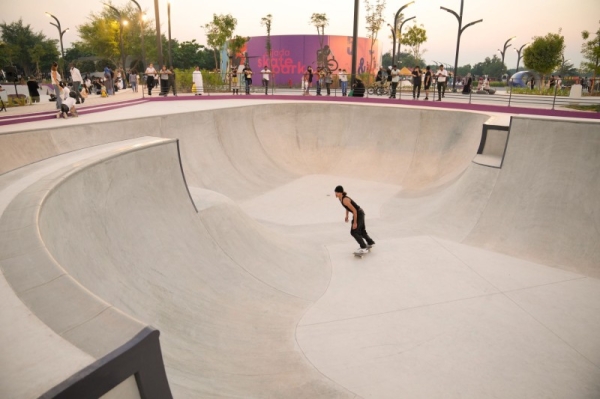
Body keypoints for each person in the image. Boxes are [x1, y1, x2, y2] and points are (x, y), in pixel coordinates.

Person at [334, 185, 375, 255]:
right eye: (335, 192)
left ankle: (363, 247)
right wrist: (347, 216)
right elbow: (347, 207)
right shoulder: (340, 199)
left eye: (337, 192)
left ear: (341, 193)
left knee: (354, 232)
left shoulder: (345, 200)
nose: (335, 194)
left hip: (359, 213)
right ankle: (370, 242)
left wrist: (355, 222)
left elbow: (354, 211)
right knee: (361, 230)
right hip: (360, 213)